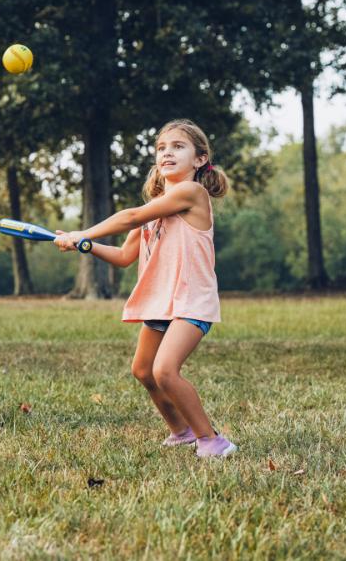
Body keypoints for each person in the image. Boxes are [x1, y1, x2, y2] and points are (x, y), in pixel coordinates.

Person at [55, 119, 236, 457]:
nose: (167, 153)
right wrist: (84, 246)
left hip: (190, 300)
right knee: (142, 370)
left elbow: (130, 216)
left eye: (178, 147)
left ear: (199, 159)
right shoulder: (157, 206)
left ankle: (212, 439)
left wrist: (82, 233)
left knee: (165, 370)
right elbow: (125, 255)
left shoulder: (191, 193)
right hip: (160, 302)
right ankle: (181, 432)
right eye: (161, 148)